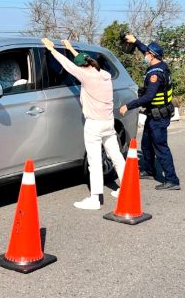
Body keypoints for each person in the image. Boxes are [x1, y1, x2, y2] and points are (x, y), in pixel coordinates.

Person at [42, 38, 126, 209]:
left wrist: (52, 49)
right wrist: (71, 49)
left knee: (94, 162)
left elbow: (67, 65)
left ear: (82, 66)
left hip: (94, 125)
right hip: (108, 122)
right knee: (116, 155)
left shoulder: (86, 76)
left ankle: (96, 199)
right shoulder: (105, 75)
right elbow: (84, 60)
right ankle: (127, 188)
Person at [118, 34, 180, 191]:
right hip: (154, 115)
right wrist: (135, 41)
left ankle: (172, 180)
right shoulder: (162, 65)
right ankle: (149, 170)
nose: (144, 55)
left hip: (159, 116)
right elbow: (146, 49)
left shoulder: (155, 75)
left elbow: (148, 97)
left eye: (146, 54)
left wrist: (128, 106)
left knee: (161, 147)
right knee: (146, 143)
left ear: (152, 55)